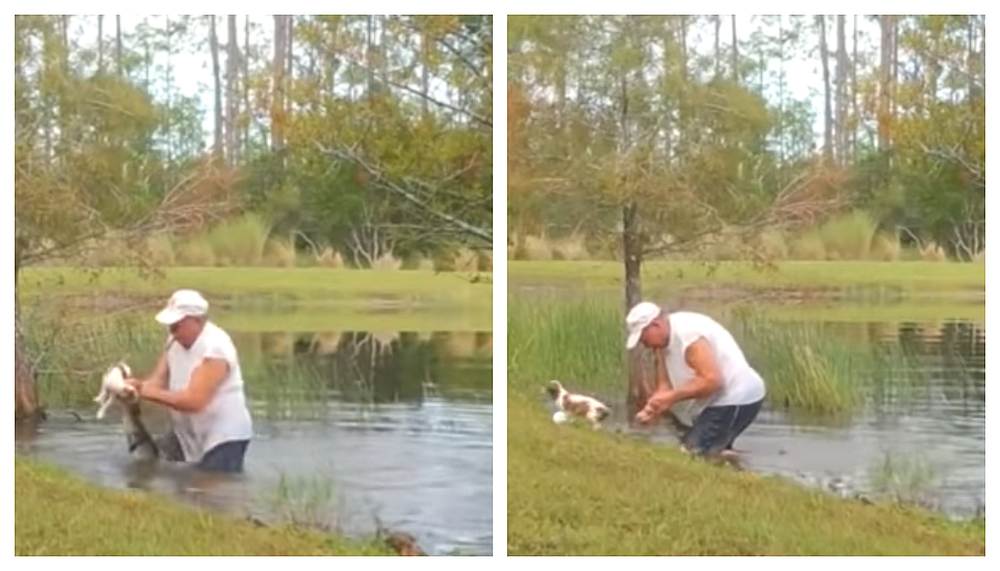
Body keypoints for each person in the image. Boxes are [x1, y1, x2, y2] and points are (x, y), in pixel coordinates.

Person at [127, 289, 253, 472]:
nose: (172, 330)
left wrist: (144, 391)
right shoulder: (173, 341)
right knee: (154, 470)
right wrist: (130, 389)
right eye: (170, 325)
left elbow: (194, 401)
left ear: (197, 320)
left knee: (213, 492)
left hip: (225, 435)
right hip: (187, 433)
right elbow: (156, 382)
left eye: (177, 325)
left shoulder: (216, 348)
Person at [625, 301, 765, 456]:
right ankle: (733, 466)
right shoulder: (662, 342)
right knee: (711, 449)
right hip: (715, 401)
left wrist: (671, 398)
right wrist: (652, 409)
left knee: (690, 453)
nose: (643, 344)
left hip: (737, 396)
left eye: (643, 337)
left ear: (656, 325)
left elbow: (712, 380)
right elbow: (664, 386)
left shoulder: (689, 336)